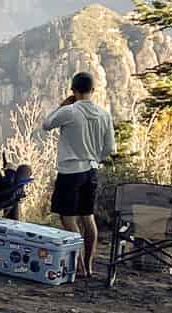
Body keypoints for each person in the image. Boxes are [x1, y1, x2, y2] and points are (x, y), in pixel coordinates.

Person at [41, 71, 116, 278]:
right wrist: (96, 157)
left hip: (70, 171)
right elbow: (110, 147)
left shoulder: (70, 111)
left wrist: (62, 105)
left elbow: (46, 125)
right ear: (93, 90)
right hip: (91, 170)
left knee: (68, 218)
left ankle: (79, 264)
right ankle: (89, 265)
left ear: (73, 90)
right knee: (87, 216)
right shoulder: (104, 114)